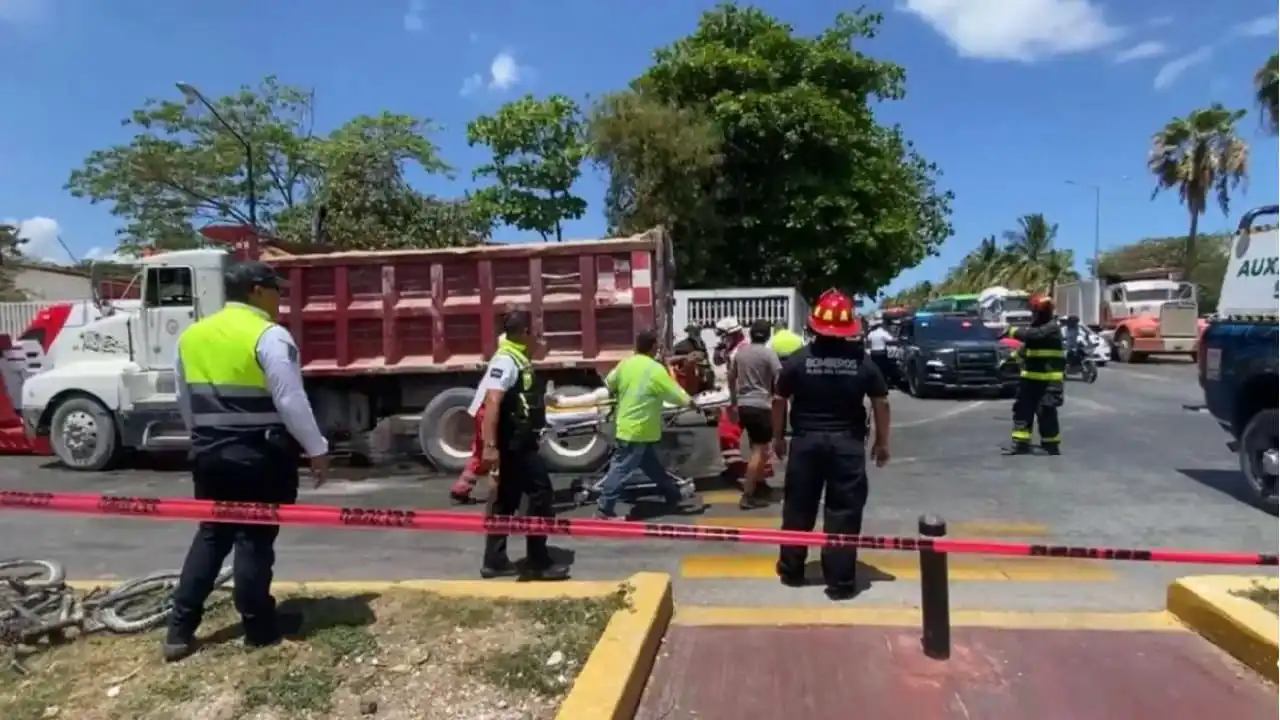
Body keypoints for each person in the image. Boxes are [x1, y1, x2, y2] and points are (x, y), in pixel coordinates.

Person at [165, 261, 329, 662]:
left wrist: (202, 437)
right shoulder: (269, 335)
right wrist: (317, 448)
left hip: (208, 452)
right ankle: (258, 627)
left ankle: (178, 631)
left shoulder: (193, 335)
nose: (280, 298)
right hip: (258, 455)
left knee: (212, 535)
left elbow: (183, 398)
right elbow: (290, 399)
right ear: (256, 290)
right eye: (276, 290)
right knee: (253, 539)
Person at [772, 289, 890, 601]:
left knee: (798, 507)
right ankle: (839, 582)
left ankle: (792, 570)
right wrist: (881, 442)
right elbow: (880, 402)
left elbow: (779, 399)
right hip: (847, 446)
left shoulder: (798, 361)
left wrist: (777, 437)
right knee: (844, 512)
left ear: (813, 326)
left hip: (806, 443)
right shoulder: (862, 363)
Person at [475, 311, 570, 580]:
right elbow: (493, 402)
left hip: (517, 442)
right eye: (534, 332)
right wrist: (490, 447)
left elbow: (520, 396)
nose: (537, 337)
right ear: (523, 333)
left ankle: (494, 561)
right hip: (515, 445)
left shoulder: (516, 356)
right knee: (540, 495)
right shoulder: (506, 360)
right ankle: (538, 562)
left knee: (505, 500)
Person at [595, 329, 706, 519]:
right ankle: (604, 508)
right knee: (621, 468)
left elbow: (610, 383)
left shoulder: (625, 364)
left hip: (627, 425)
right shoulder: (654, 369)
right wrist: (691, 403)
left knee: (652, 467)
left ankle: (673, 494)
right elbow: (673, 391)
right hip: (639, 429)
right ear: (653, 346)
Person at [1001, 295, 1066, 456]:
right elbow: (1028, 347)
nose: (1035, 314)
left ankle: (1051, 445)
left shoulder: (1052, 327)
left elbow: (1033, 336)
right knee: (1022, 411)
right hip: (1030, 380)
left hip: (1049, 381)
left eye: (1037, 311)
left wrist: (1012, 330)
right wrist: (1013, 358)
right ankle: (1020, 443)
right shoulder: (1036, 327)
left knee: (1046, 412)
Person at [729, 320, 782, 509]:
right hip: (761, 405)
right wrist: (778, 397)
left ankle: (759, 485)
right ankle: (748, 493)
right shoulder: (769, 354)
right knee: (759, 450)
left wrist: (734, 402)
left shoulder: (741, 353)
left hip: (744, 406)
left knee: (756, 447)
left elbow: (731, 376)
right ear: (768, 335)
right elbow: (779, 376)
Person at [713, 317, 750, 480]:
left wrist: (733, 401)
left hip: (742, 396)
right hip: (735, 395)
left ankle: (752, 471)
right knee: (727, 434)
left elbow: (736, 377)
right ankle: (735, 466)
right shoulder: (732, 347)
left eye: (724, 336)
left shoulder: (742, 350)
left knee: (728, 432)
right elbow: (717, 361)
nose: (722, 339)